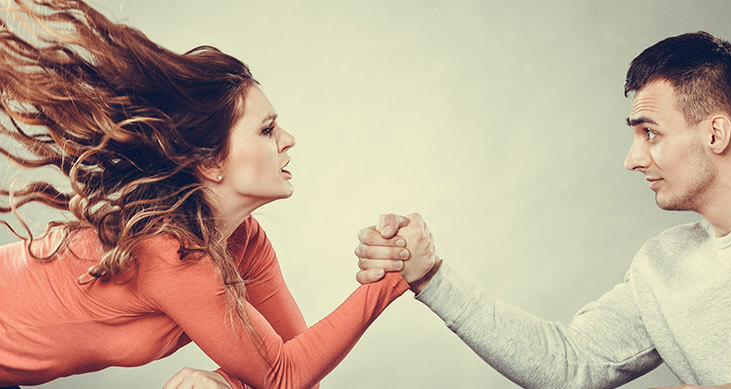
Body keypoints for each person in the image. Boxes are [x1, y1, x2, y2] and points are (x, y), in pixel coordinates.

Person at [0, 1, 419, 388]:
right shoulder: (170, 251)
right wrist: (394, 276)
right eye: (267, 129)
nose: (289, 140)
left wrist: (226, 383)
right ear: (211, 162)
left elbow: (297, 367)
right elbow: (283, 375)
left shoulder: (246, 241)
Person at [355, 31, 731, 388]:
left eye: (651, 133)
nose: (633, 159)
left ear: (716, 134)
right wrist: (431, 276)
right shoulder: (662, 268)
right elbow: (571, 365)